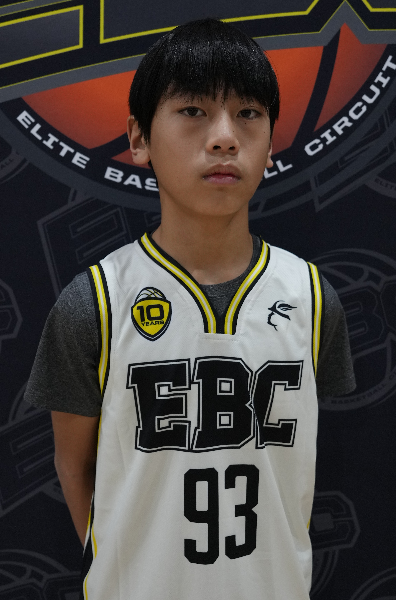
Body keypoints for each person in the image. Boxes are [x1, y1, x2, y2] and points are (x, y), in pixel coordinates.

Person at [25, 18, 355, 600]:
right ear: (139, 137)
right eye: (193, 111)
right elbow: (73, 468)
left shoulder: (310, 295)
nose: (224, 137)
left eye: (248, 113)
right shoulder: (95, 300)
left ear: (271, 142)